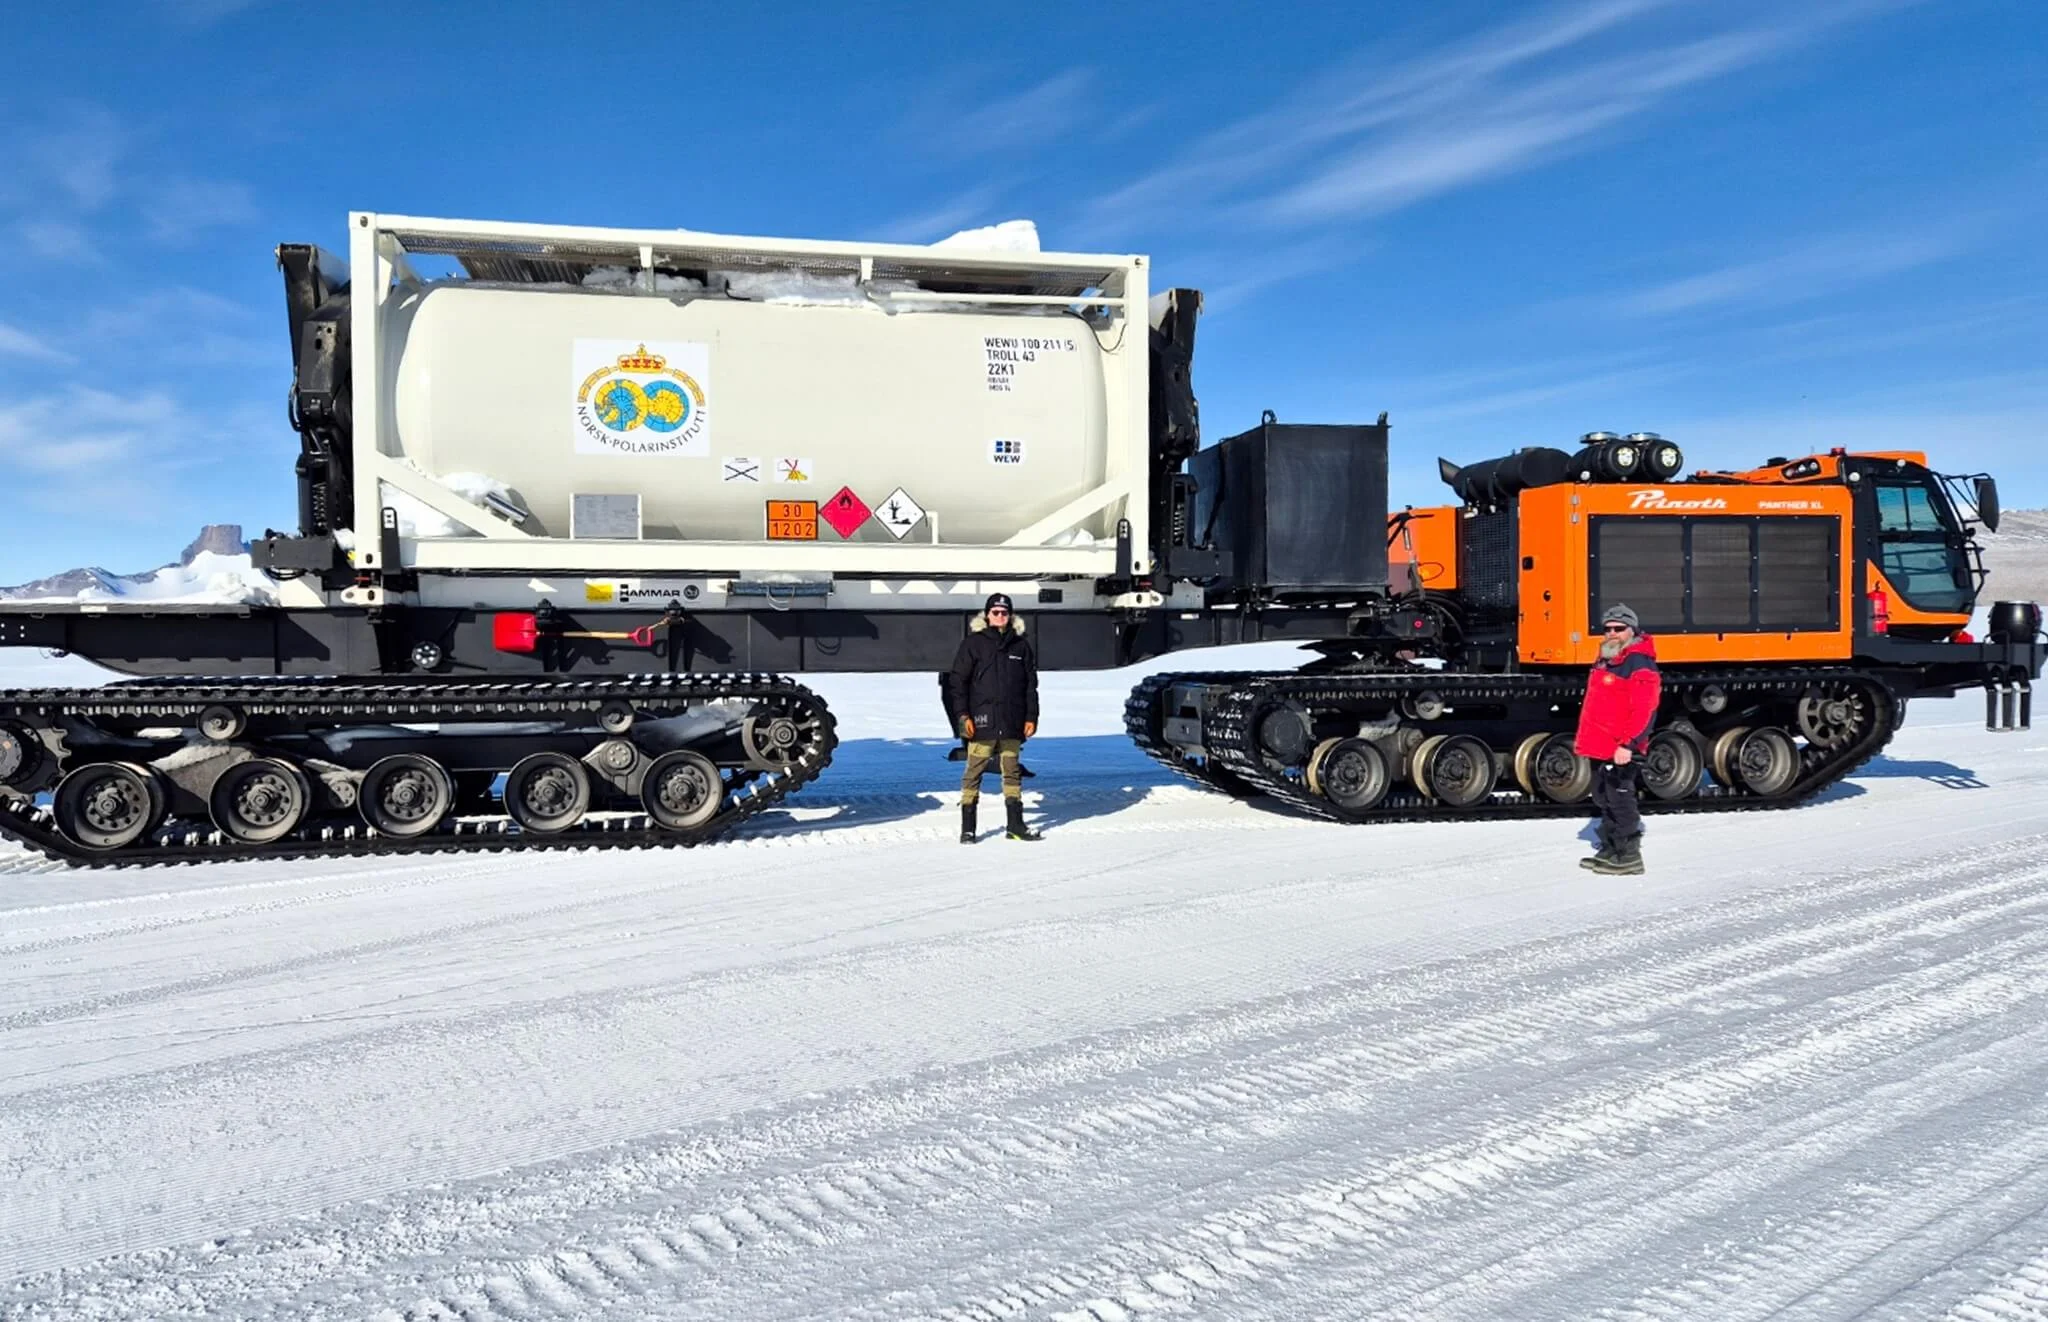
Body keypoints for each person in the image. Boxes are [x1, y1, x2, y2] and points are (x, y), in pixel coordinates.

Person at [946, 592, 1042, 842]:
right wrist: (963, 715)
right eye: (995, 612)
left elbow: (1030, 686)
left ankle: (1015, 826)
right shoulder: (974, 644)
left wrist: (1031, 716)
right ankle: (968, 828)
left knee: (1011, 772)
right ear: (987, 615)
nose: (1000, 616)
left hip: (1012, 722)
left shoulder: (1021, 646)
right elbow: (957, 682)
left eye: (1004, 612)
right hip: (982, 722)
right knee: (973, 772)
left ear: (1010, 616)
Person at [1573, 602, 1661, 875]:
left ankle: (1628, 855)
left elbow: (1644, 708)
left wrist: (1628, 744)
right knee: (1603, 797)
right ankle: (1611, 847)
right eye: (1607, 628)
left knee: (1620, 798)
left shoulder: (1638, 661)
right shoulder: (1607, 659)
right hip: (1601, 745)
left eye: (1619, 628)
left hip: (1620, 746)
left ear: (1631, 630)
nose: (1612, 633)